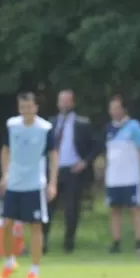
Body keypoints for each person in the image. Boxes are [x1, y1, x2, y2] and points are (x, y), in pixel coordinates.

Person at [0, 92, 58, 278]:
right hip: (14, 183)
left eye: (29, 107)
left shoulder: (45, 128)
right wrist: (5, 175)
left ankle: (34, 269)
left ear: (36, 107)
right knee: (6, 224)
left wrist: (52, 183)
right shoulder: (12, 125)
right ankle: (9, 263)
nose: (26, 111)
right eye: (22, 107)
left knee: (35, 226)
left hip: (34, 184)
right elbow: (5, 150)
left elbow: (54, 155)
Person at [46, 89, 99, 253]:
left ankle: (69, 244)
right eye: (62, 101)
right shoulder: (51, 124)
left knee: (71, 209)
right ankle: (42, 243)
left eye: (67, 101)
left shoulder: (82, 123)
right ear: (57, 103)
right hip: (54, 171)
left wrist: (84, 162)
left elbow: (95, 146)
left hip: (73, 171)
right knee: (47, 208)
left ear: (73, 103)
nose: (64, 104)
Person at [104, 94, 140, 254]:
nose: (113, 111)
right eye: (111, 108)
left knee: (134, 209)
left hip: (130, 177)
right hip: (113, 178)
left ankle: (139, 243)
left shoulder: (134, 127)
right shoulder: (109, 128)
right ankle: (116, 242)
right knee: (115, 209)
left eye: (117, 108)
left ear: (124, 109)